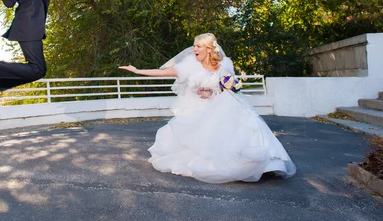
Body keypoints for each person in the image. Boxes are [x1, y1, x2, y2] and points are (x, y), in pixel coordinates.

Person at [119, 33, 296, 184]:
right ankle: (229, 163)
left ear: (209, 49)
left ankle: (266, 164)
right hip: (199, 109)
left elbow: (232, 87)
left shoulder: (225, 64)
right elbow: (163, 72)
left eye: (198, 46)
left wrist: (224, 89)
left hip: (223, 105)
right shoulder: (189, 66)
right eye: (194, 46)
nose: (194, 49)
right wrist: (137, 71)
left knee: (246, 121)